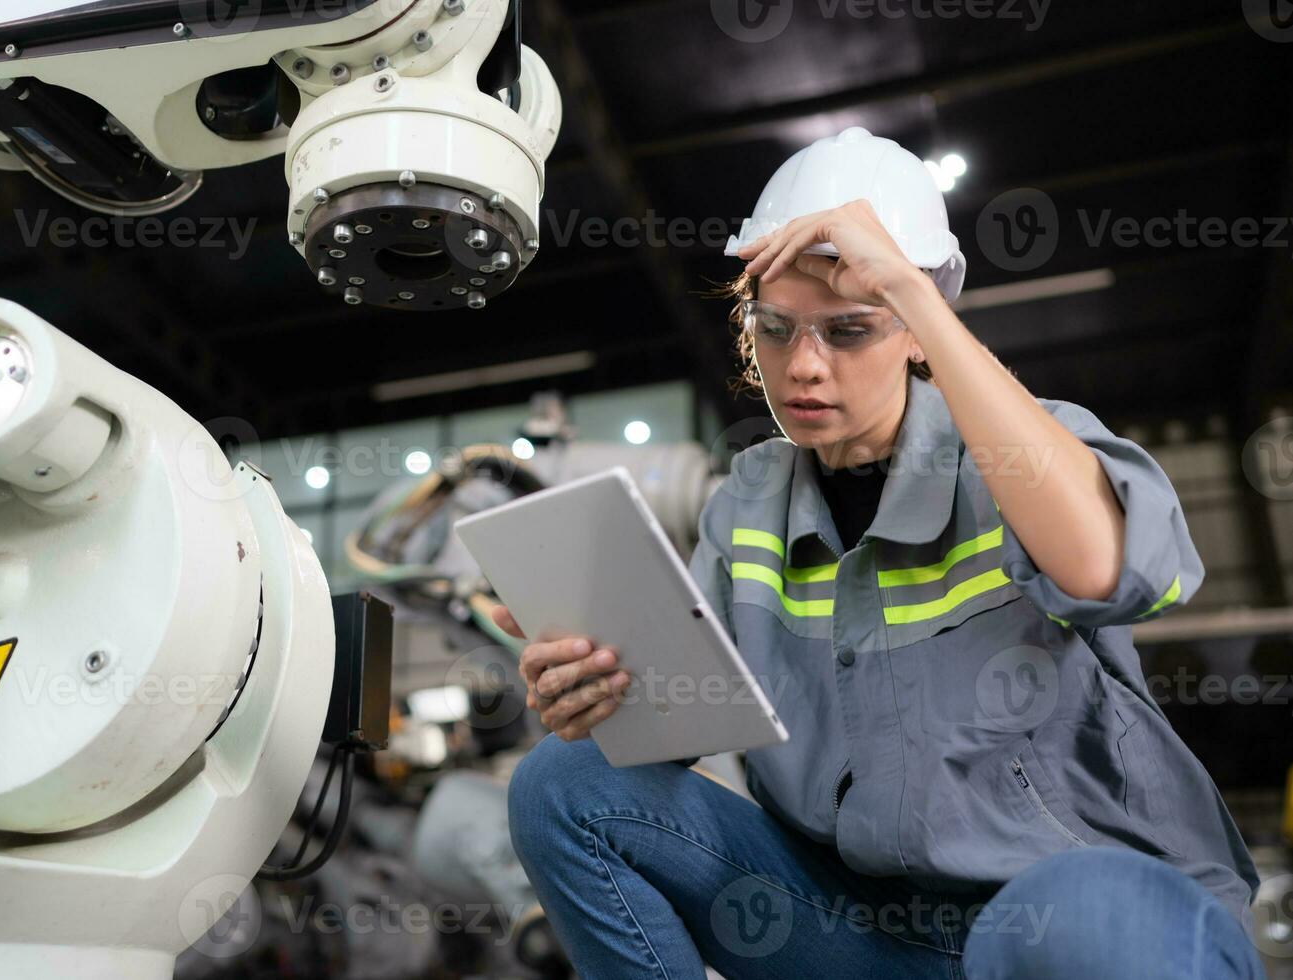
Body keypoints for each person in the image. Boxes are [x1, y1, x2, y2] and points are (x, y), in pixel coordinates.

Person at [491, 129, 1264, 979]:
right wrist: (598, 694)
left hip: (1090, 922)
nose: (805, 367)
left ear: (919, 329)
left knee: (1084, 918)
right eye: (776, 328)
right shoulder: (744, 509)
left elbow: (1100, 569)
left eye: (851, 329)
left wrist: (905, 285)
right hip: (870, 937)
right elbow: (682, 732)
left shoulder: (1025, 453)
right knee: (565, 784)